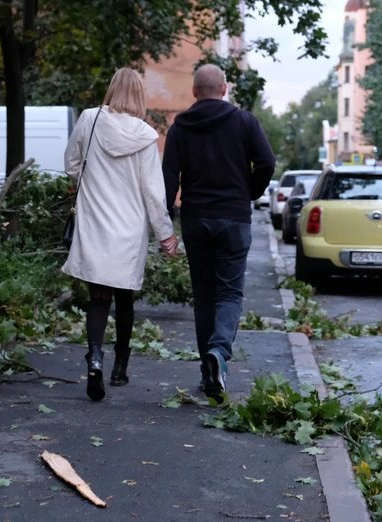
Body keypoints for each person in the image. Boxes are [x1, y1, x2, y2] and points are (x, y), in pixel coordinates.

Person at [63, 68, 179, 402]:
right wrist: (166, 236)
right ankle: (120, 367)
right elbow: (153, 194)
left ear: (112, 90)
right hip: (129, 228)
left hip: (95, 222)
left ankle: (95, 357)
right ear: (140, 96)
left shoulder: (89, 120)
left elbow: (72, 165)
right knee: (125, 295)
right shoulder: (145, 135)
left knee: (99, 297)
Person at [162, 64, 276, 402]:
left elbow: (169, 177)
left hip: (196, 218)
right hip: (234, 219)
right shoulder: (244, 122)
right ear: (224, 89)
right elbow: (267, 162)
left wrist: (166, 222)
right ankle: (219, 353)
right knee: (228, 294)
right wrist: (249, 191)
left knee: (203, 297)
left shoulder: (180, 127)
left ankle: (208, 368)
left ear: (194, 91)